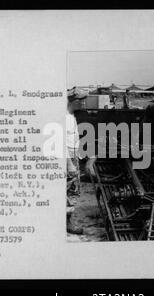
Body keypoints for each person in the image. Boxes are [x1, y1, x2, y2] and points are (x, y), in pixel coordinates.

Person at [66, 88, 86, 235]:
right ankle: (69, 224)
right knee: (71, 193)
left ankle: (67, 222)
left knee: (70, 192)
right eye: (82, 101)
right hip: (68, 159)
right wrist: (70, 164)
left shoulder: (70, 116)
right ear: (75, 101)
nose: (84, 104)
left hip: (73, 156)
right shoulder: (65, 118)